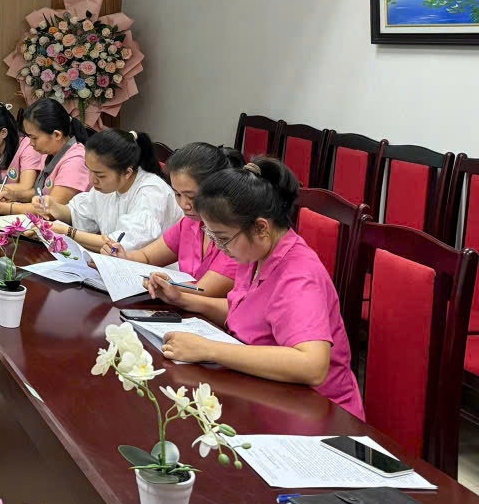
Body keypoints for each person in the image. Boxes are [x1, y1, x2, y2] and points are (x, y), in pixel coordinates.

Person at [147, 159, 365, 419]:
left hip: (314, 410)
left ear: (261, 227)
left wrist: (208, 349)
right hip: (266, 391)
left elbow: (312, 365)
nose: (221, 248)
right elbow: (247, 312)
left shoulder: (298, 275)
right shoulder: (256, 253)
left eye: (223, 239)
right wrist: (183, 299)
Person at [100, 142, 241, 299]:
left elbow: (203, 291)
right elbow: (146, 257)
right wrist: (123, 258)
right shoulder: (190, 223)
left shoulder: (234, 234)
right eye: (178, 194)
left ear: (216, 190)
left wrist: (166, 284)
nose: (184, 205)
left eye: (191, 196)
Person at [35, 129, 180, 253]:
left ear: (127, 173)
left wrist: (68, 232)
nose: (92, 180)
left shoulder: (151, 192)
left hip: (157, 272)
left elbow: (121, 244)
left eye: (100, 175)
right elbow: (80, 213)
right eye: (90, 170)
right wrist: (54, 207)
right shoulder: (107, 186)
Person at [0, 98, 91, 218]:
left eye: (34, 138)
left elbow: (50, 209)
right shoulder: (49, 153)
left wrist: (2, 208)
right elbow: (40, 193)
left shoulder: (75, 161)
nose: (31, 143)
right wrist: (14, 195)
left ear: (56, 135)